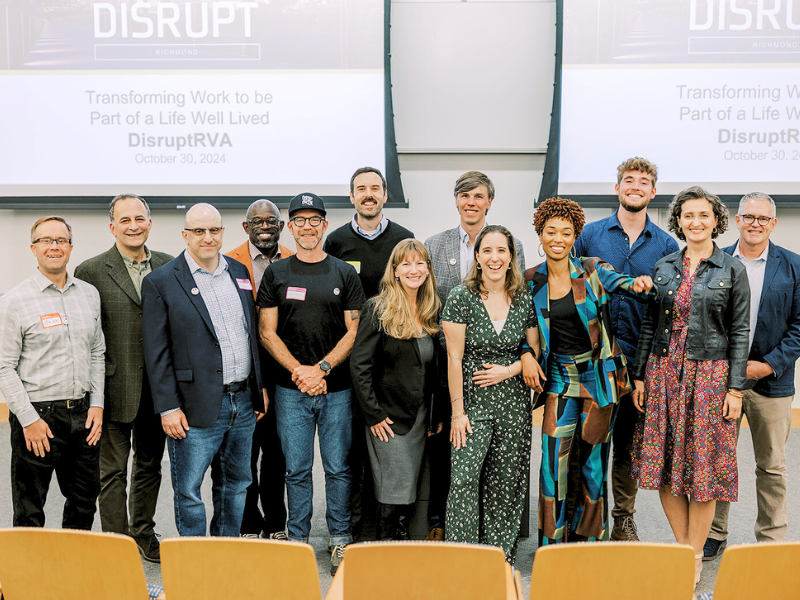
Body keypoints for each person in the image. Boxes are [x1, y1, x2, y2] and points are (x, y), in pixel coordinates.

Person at [630, 186, 749, 587]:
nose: (695, 222)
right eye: (687, 215)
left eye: (703, 215)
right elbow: (650, 325)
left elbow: (739, 332)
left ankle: (696, 554)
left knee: (703, 467)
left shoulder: (732, 269)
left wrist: (735, 389)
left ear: (716, 220)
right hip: (664, 375)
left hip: (711, 378)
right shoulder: (664, 266)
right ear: (678, 221)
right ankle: (684, 550)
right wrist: (641, 376)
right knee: (665, 466)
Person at [521, 196, 655, 547]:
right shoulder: (529, 280)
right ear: (541, 233)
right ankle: (552, 545)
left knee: (594, 466)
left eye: (566, 232)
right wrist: (525, 355)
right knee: (554, 467)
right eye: (551, 231)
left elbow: (621, 282)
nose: (558, 238)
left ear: (575, 236)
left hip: (599, 380)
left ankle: (590, 544)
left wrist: (637, 284)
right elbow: (520, 329)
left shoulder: (593, 269)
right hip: (560, 380)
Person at [142, 203, 266, 537]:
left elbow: (250, 334)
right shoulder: (161, 281)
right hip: (192, 406)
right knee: (189, 490)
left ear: (223, 232)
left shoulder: (239, 272)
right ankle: (193, 561)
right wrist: (168, 407)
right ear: (185, 235)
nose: (207, 237)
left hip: (241, 403)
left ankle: (225, 552)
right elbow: (156, 352)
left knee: (236, 484)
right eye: (199, 231)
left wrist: (258, 388)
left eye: (214, 230)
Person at [257, 192, 365, 575]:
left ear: (323, 224)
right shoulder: (277, 273)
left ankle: (339, 541)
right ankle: (298, 540)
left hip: (336, 391)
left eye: (314, 220)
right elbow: (267, 332)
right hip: (291, 392)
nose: (307, 226)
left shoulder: (343, 272)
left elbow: (355, 331)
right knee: (296, 469)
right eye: (299, 220)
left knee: (338, 468)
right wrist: (300, 373)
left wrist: (320, 368)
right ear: (290, 227)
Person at [572, 157, 678, 541]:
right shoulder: (590, 235)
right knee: (590, 442)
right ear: (617, 188)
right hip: (592, 360)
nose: (635, 186)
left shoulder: (667, 246)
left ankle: (623, 518)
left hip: (640, 364)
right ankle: (586, 521)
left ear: (653, 192)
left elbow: (668, 310)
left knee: (629, 448)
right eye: (628, 180)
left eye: (644, 181)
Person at [424, 170, 525, 541]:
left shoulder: (514, 268)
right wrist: (456, 407)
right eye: (464, 195)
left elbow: (528, 336)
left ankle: (498, 549)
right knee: (454, 467)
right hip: (449, 366)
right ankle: (448, 534)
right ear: (456, 201)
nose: (471, 201)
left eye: (478, 195)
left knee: (504, 477)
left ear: (488, 202)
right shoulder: (436, 246)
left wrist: (516, 365)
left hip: (508, 390)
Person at [74, 194, 173, 561]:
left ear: (149, 222)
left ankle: (143, 533)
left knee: (149, 466)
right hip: (112, 388)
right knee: (112, 471)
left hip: (159, 389)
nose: (133, 226)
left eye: (140, 218)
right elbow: (86, 336)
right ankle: (116, 543)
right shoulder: (91, 270)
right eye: (125, 220)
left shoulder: (168, 265)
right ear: (112, 226)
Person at [703, 192, 800, 559]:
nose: (755, 223)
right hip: (720, 379)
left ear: (773, 224)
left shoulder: (794, 266)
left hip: (772, 382)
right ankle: (714, 532)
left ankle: (772, 540)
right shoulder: (716, 261)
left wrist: (769, 364)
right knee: (718, 459)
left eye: (763, 218)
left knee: (772, 465)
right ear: (737, 220)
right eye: (749, 217)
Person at [324, 167, 415, 541]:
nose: (368, 194)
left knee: (394, 446)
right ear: (351, 197)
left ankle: (393, 524)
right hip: (353, 360)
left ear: (385, 194)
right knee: (353, 454)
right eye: (361, 189)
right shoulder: (336, 241)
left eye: (374, 188)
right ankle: (357, 531)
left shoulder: (403, 239)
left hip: (395, 361)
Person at [0, 216, 104, 528]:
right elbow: (4, 366)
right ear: (33, 248)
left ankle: (73, 574)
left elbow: (97, 352)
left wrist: (97, 403)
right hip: (37, 417)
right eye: (46, 240)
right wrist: (29, 419)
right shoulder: (14, 301)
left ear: (71, 247)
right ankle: (28, 578)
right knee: (31, 509)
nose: (54, 246)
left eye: (61, 240)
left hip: (83, 416)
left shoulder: (89, 294)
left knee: (84, 504)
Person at [442, 225, 538, 564]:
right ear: (477, 256)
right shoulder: (461, 297)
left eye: (502, 251)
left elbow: (533, 352)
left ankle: (498, 556)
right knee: (465, 478)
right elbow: (453, 358)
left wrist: (508, 370)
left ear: (511, 256)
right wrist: (457, 412)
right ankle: (464, 558)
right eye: (487, 251)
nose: (494, 258)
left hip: (513, 402)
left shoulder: (524, 297)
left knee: (506, 481)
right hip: (471, 403)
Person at [350, 239, 446, 541]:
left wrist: (436, 413)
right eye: (406, 263)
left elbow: (434, 368)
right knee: (393, 487)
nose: (413, 269)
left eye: (420, 263)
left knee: (410, 487)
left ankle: (399, 547)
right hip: (388, 418)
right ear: (395, 270)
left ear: (428, 269)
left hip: (419, 417)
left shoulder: (431, 309)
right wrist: (374, 415)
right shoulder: (379, 308)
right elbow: (359, 365)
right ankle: (384, 550)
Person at [226, 199, 294, 541]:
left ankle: (276, 522)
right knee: (243, 453)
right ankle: (248, 523)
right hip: (244, 373)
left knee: (278, 452)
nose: (265, 226)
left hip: (283, 372)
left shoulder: (296, 260)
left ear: (281, 227)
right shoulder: (227, 263)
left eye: (272, 221)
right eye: (257, 221)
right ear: (246, 227)